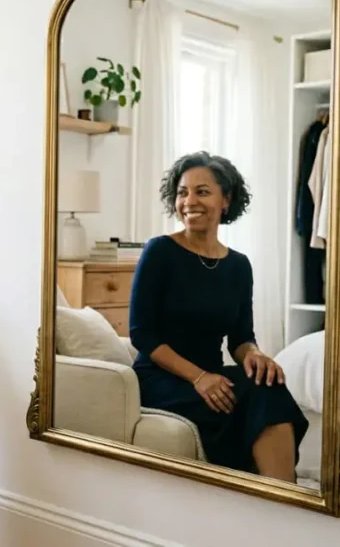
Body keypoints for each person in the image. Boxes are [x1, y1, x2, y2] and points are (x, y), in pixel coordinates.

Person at [128, 151, 308, 482]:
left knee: (267, 383)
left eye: (202, 191)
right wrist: (199, 378)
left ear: (225, 200)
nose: (189, 201)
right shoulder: (159, 252)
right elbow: (143, 335)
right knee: (252, 397)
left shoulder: (238, 265)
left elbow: (240, 337)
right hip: (161, 379)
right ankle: (281, 494)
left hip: (211, 376)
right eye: (183, 192)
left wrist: (255, 356)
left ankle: (282, 493)